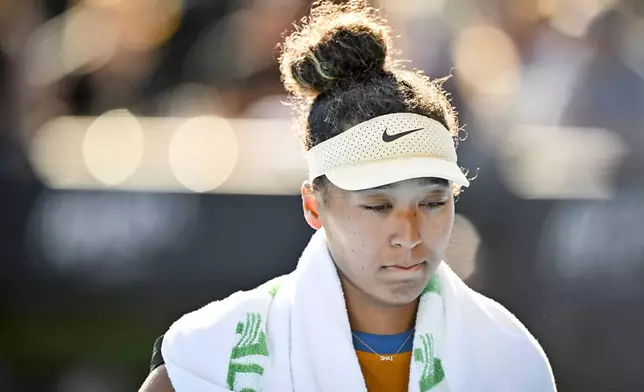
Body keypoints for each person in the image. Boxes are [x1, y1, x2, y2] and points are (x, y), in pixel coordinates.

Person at [139, 1, 556, 391]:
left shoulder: (511, 360)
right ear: (313, 206)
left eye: (432, 202)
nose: (408, 234)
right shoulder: (207, 360)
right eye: (377, 205)